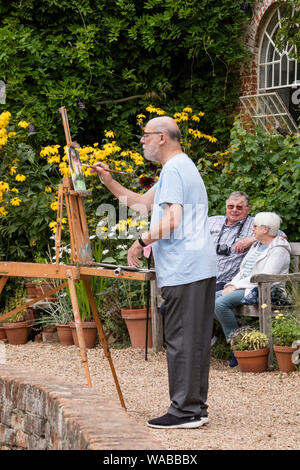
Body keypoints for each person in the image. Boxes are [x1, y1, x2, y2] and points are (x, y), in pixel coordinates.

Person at [90, 116, 217, 429]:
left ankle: (184, 411)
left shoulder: (175, 169)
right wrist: (108, 180)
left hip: (185, 268)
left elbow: (172, 219)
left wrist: (141, 241)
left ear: (162, 137)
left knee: (182, 340)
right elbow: (142, 205)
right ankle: (195, 407)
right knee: (194, 340)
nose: (142, 141)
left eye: (145, 136)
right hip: (197, 267)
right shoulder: (179, 167)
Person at [214, 212, 291, 366]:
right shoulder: (257, 246)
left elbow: (266, 277)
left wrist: (236, 286)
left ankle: (236, 347)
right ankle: (242, 341)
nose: (252, 229)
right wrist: (231, 284)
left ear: (265, 229)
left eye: (255, 226)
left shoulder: (279, 248)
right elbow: (243, 271)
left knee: (220, 304)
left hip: (266, 291)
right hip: (247, 286)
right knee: (208, 300)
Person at [209, 191, 256, 292]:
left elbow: (280, 235)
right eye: (231, 207)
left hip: (228, 283)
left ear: (248, 209)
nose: (234, 210)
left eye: (239, 207)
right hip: (202, 279)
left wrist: (253, 239)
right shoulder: (212, 221)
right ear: (226, 208)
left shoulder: (255, 225)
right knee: (172, 302)